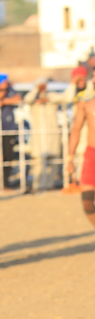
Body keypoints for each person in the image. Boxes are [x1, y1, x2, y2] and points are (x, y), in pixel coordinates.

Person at [65, 86, 95, 232]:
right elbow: (76, 129)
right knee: (87, 202)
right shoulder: (86, 103)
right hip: (91, 155)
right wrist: (70, 157)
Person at [25, 79, 63, 191]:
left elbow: (64, 97)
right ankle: (38, 184)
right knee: (38, 160)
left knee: (54, 159)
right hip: (38, 135)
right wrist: (36, 89)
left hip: (52, 134)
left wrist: (47, 99)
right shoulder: (33, 100)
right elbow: (27, 99)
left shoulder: (52, 96)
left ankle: (50, 184)